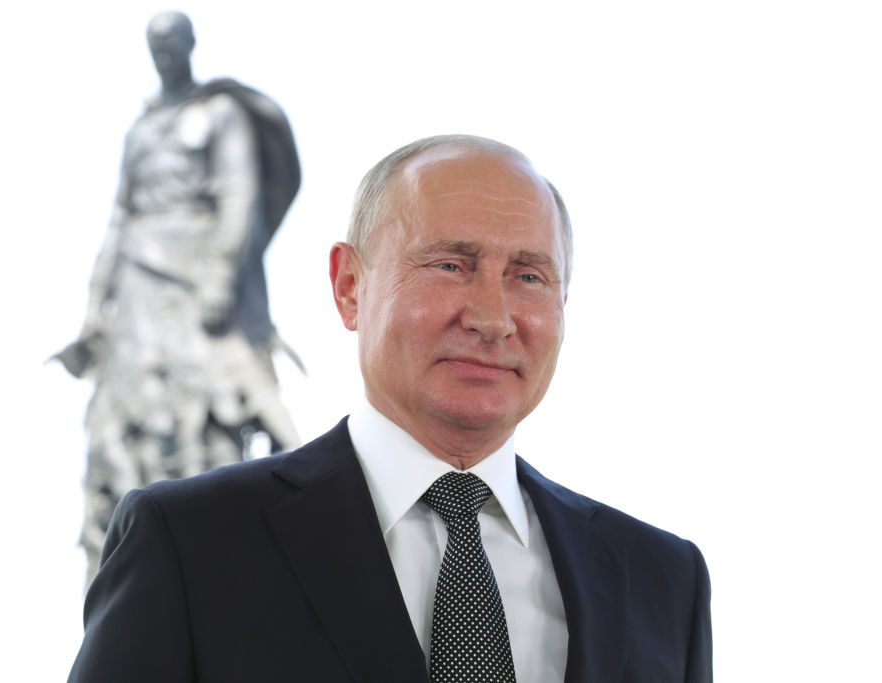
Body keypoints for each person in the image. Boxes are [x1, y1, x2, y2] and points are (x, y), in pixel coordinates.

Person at [67, 135, 713, 682]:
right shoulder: (188, 545)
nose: (492, 318)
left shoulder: (664, 580)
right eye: (451, 265)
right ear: (349, 286)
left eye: (528, 276)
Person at [55, 11, 302, 581]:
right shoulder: (140, 130)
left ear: (190, 45)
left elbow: (239, 194)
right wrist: (94, 308)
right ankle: (137, 529)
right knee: (133, 408)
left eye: (172, 44)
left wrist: (219, 278)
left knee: (220, 396)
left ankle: (220, 511)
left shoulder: (221, 113)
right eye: (156, 46)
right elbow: (120, 217)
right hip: (139, 286)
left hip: (198, 277)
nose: (165, 54)